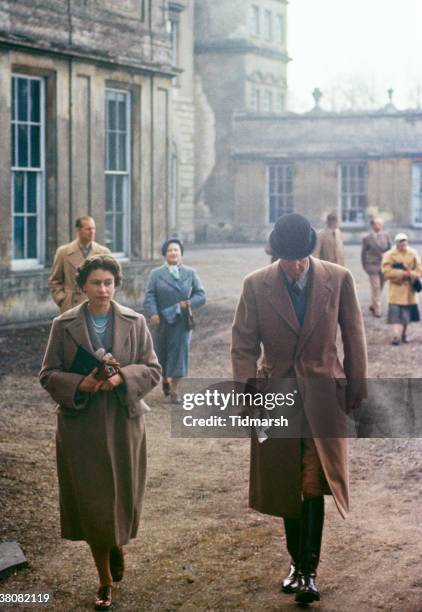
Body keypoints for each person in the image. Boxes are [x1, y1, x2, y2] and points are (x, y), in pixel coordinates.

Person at [231, 213, 367, 604]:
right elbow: (242, 344)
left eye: (302, 256)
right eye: (288, 258)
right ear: (277, 253)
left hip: (325, 394)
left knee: (313, 483)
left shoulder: (338, 278)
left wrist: (356, 386)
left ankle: (308, 570)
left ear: (311, 249)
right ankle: (296, 563)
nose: (296, 264)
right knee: (287, 482)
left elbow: (353, 333)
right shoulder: (255, 285)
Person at [40, 255, 161, 610]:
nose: (103, 290)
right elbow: (47, 374)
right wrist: (85, 383)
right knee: (93, 500)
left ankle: (116, 543)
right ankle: (104, 580)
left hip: (124, 420)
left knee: (120, 495)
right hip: (82, 424)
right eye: (96, 283)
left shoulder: (135, 322)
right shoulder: (62, 325)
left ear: (115, 284)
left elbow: (153, 369)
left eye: (108, 283)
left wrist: (122, 377)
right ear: (83, 287)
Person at [143, 238, 206, 404]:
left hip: (182, 322)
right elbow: (150, 295)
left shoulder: (190, 273)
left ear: (181, 254)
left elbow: (201, 295)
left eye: (176, 250)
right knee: (161, 353)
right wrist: (152, 313)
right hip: (161, 321)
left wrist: (188, 304)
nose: (173, 253)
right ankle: (164, 379)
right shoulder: (156, 274)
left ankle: (175, 389)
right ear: (165, 254)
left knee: (180, 354)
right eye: (170, 250)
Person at [49, 216, 111, 313]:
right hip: (71, 306)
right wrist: (62, 300)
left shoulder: (103, 252)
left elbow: (112, 279)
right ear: (78, 230)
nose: (92, 232)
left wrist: (106, 300)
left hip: (97, 304)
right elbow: (55, 281)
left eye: (93, 228)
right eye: (88, 229)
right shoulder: (64, 252)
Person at [382, 233, 422, 346]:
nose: (403, 245)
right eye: (401, 242)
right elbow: (386, 271)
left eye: (405, 242)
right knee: (395, 316)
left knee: (406, 317)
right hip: (396, 289)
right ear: (396, 243)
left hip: (410, 290)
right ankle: (395, 336)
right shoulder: (389, 255)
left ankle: (403, 334)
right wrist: (401, 273)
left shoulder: (413, 253)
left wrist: (411, 274)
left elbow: (419, 270)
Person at [361, 218, 391, 317]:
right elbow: (363, 253)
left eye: (380, 224)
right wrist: (365, 266)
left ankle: (374, 305)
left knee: (380, 286)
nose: (378, 226)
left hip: (384, 265)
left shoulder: (386, 236)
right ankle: (377, 309)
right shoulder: (367, 238)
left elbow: (390, 249)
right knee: (376, 286)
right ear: (372, 226)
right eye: (376, 224)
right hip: (372, 265)